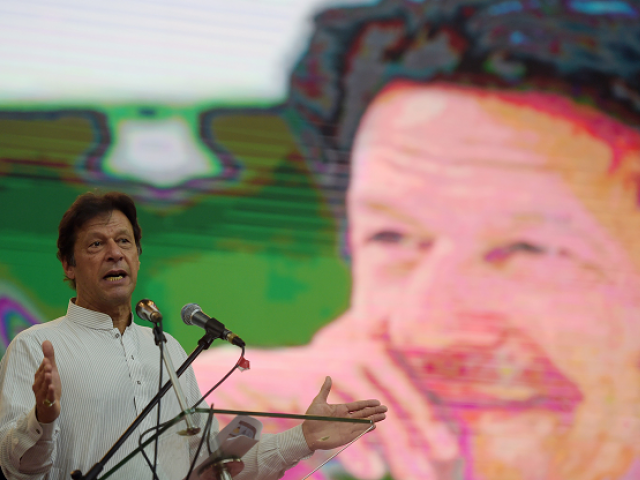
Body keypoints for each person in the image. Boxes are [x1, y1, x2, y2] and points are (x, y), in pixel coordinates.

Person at [191, 1, 640, 479]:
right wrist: (183, 434)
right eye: (393, 237)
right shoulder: (274, 425)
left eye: (532, 248)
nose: (429, 329)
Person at [0, 192, 387, 480]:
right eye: (96, 244)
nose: (114, 253)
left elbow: (212, 469)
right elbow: (17, 468)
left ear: (137, 256)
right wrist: (42, 418)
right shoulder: (36, 347)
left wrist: (305, 436)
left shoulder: (166, 349)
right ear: (68, 265)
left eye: (124, 242)